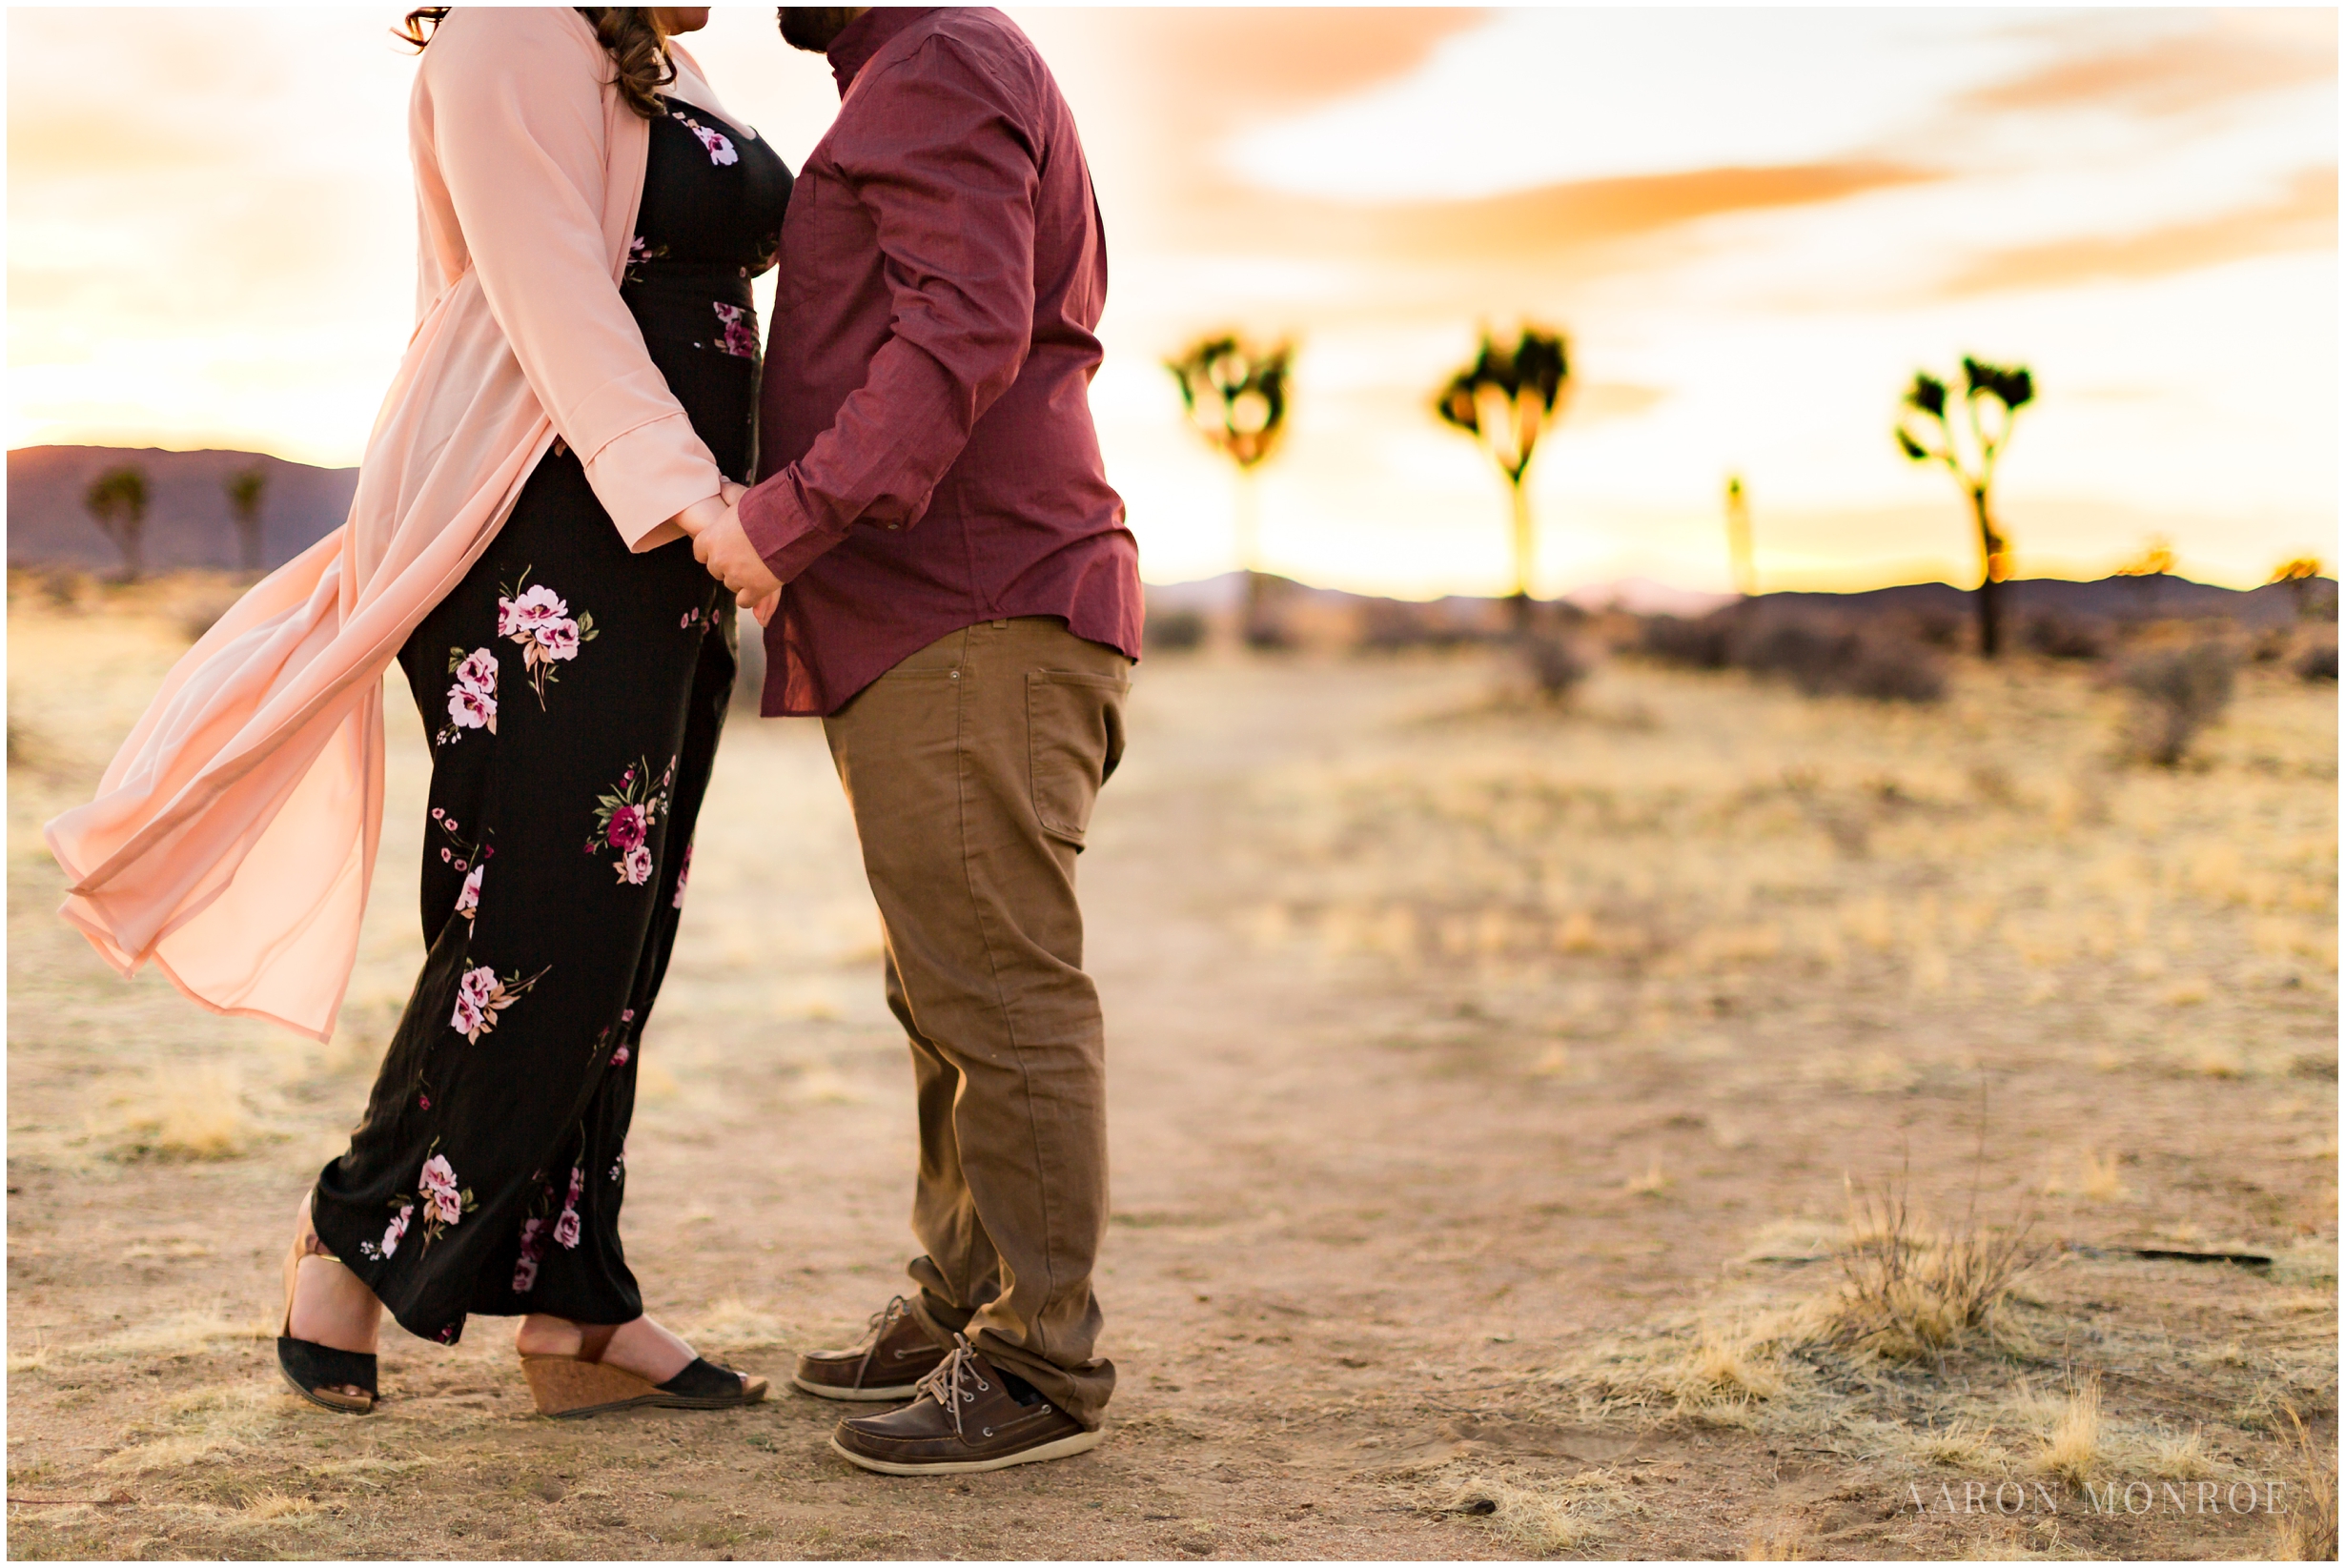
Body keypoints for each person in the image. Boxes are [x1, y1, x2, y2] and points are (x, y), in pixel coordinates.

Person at [46, 6, 787, 1418]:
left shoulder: (667, 64)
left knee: (623, 932)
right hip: (549, 531)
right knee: (538, 920)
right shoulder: (506, 35)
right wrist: (695, 499)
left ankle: (577, 1298)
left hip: (665, 545)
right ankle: (348, 1238)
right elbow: (554, 295)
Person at [684, 5, 1144, 1475]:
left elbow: (964, 323)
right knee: (943, 982)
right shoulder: (908, 72)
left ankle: (1037, 1357)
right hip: (942, 611)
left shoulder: (939, 58)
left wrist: (782, 519)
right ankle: (964, 1293)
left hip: (975, 602)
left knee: (997, 984)